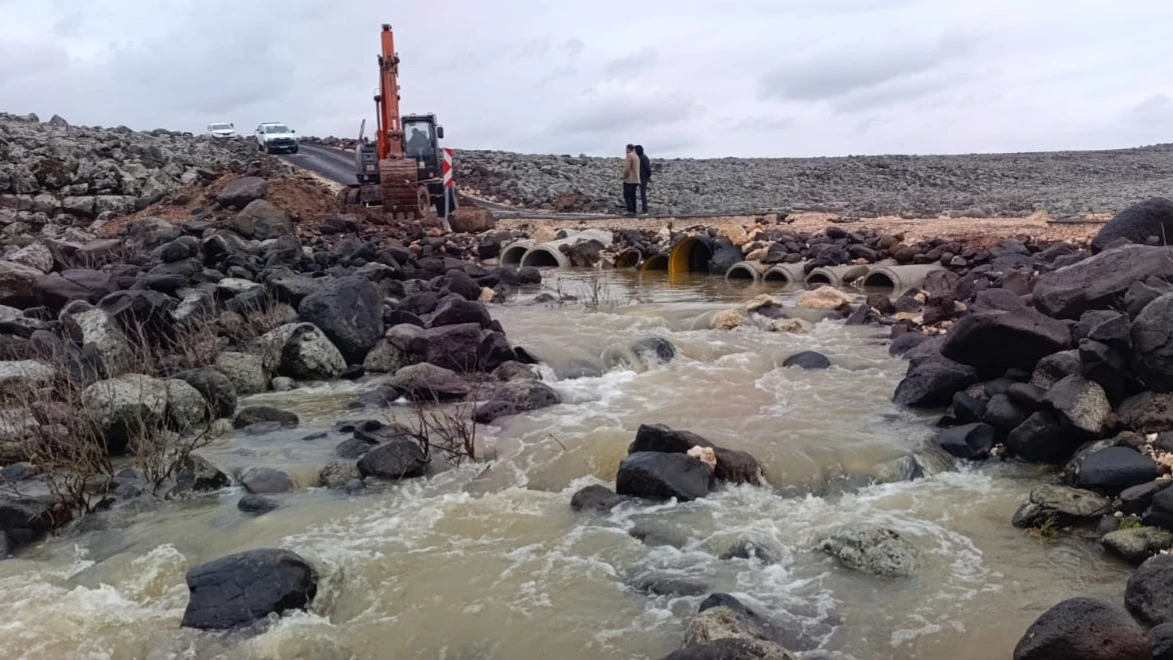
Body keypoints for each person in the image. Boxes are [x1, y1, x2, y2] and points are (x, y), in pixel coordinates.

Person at [621, 144, 640, 216]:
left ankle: (630, 211)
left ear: (628, 148)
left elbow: (627, 168)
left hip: (629, 179)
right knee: (633, 195)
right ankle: (634, 211)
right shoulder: (636, 156)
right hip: (636, 179)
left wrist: (623, 176)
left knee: (626, 195)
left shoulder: (629, 156)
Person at [635, 144, 651, 215]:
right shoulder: (641, 157)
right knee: (642, 194)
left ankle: (645, 210)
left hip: (643, 177)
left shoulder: (643, 158)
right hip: (641, 177)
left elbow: (648, 169)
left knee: (643, 194)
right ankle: (643, 209)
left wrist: (647, 176)